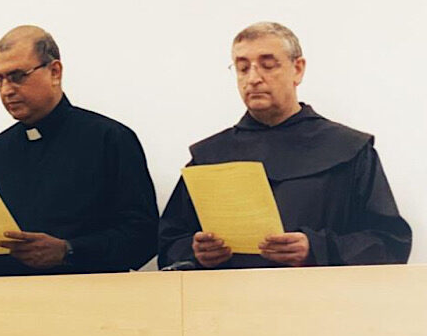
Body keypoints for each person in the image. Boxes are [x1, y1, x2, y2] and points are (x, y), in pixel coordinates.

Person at [158, 22, 412, 269]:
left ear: (297, 69)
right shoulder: (209, 156)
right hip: (229, 296)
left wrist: (316, 248)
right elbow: (169, 244)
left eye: (268, 65)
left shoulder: (349, 149)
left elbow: (390, 243)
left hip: (321, 295)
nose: (253, 78)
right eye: (242, 68)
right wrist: (198, 253)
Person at [0, 26, 158, 276]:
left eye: (17, 76)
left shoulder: (110, 139)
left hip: (90, 295)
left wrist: (69, 251)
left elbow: (145, 237)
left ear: (55, 72)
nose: (6, 90)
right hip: (7, 297)